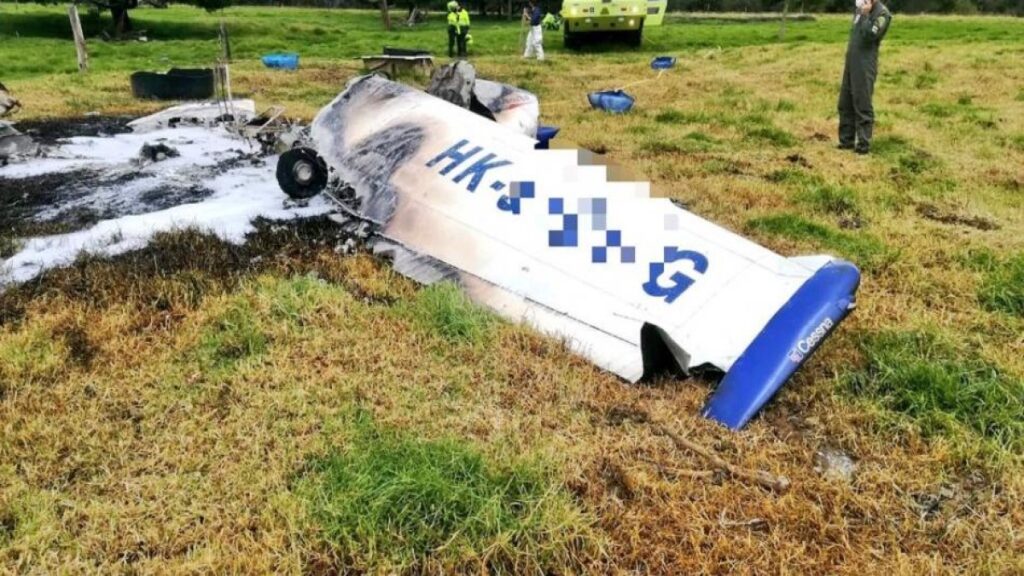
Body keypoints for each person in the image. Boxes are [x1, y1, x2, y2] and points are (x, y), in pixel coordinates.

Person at [837, 0, 892, 155]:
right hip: (852, 61)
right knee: (845, 102)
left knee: (862, 102)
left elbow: (869, 36)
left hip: (865, 63)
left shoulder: (882, 14)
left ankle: (863, 144)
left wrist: (866, 15)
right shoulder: (859, 9)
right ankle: (846, 141)